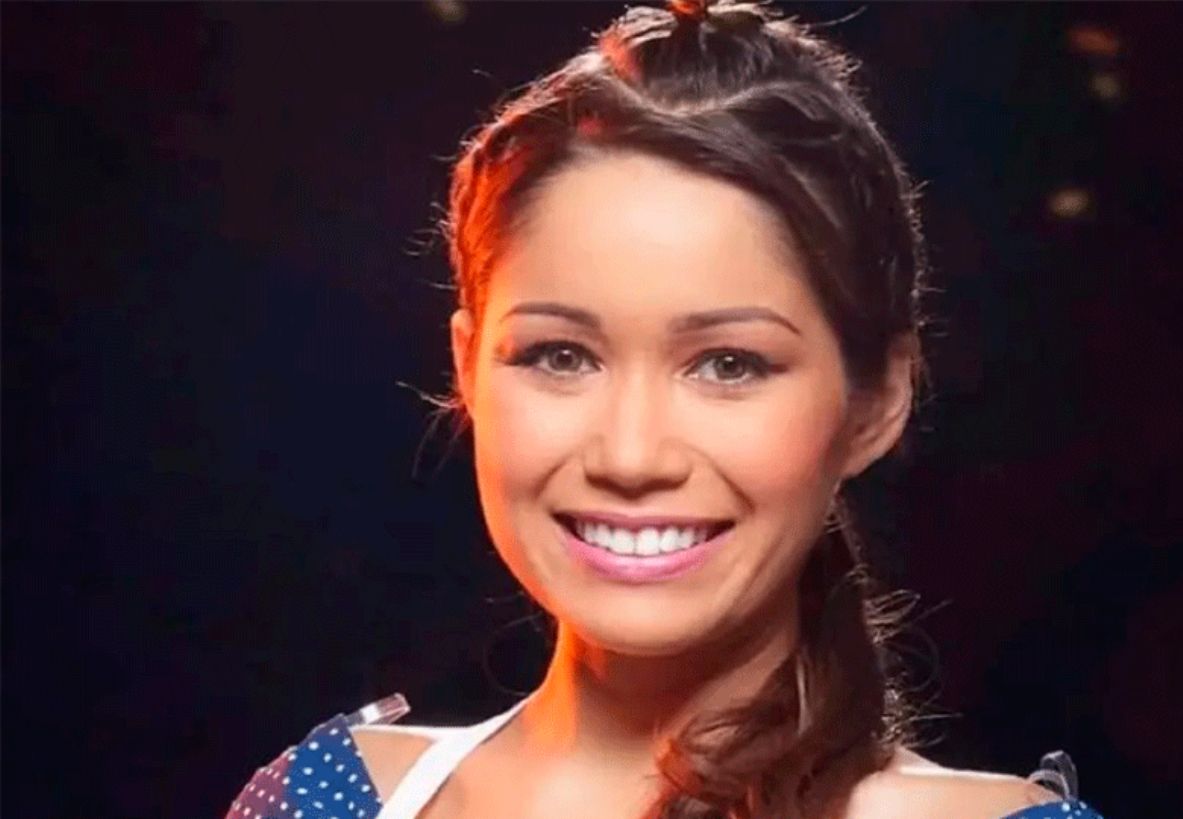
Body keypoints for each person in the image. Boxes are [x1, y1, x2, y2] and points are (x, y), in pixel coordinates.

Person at [225, 1, 1105, 817]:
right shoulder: (328, 802)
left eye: (729, 364)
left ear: (875, 402)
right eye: (561, 355)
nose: (632, 454)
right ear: (468, 365)